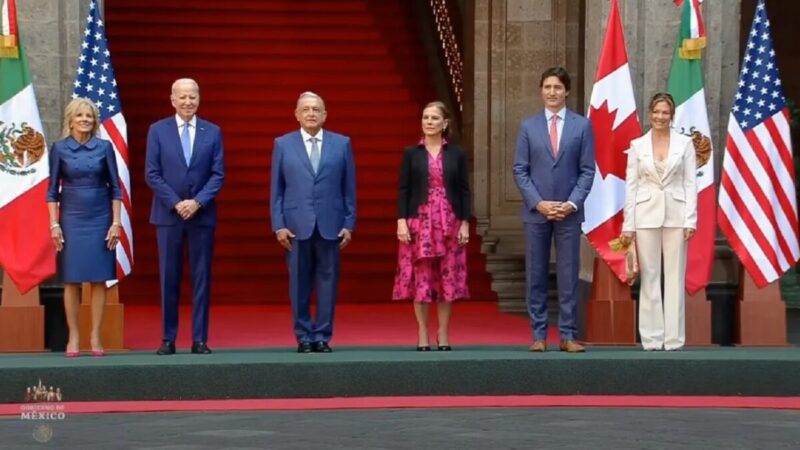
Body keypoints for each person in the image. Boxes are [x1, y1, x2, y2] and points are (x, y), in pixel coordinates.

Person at [513, 67, 595, 353]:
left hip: (569, 213)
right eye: (547, 87)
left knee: (568, 274)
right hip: (537, 212)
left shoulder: (582, 126)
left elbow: (587, 171)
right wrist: (539, 202)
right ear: (541, 90)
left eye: (557, 87)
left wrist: (571, 203)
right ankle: (538, 335)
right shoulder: (528, 126)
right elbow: (520, 170)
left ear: (567, 91)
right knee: (535, 273)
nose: (552, 92)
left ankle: (568, 334)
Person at [270, 91, 357, 353]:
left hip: (331, 223)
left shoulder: (341, 144)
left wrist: (349, 222)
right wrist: (279, 224)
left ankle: (322, 335)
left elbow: (348, 188)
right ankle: (303, 335)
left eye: (316, 109)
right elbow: (277, 189)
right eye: (305, 109)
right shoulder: (283, 144)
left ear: (325, 115)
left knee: (328, 282)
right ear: (296, 115)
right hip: (296, 225)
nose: (311, 114)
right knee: (298, 282)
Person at [145, 78, 224, 355]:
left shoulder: (212, 132)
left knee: (202, 277)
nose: (188, 102)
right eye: (183, 97)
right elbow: (152, 173)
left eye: (192, 97)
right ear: (172, 100)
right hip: (169, 216)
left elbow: (217, 174)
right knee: (169, 278)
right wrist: (177, 203)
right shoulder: (158, 130)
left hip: (201, 216)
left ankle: (199, 339)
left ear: (199, 99)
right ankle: (168, 339)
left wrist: (198, 202)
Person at [620, 92, 697, 351]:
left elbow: (690, 184)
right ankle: (652, 338)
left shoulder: (685, 144)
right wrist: (628, 226)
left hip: (677, 214)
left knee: (675, 276)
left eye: (665, 113)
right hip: (645, 215)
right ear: (649, 114)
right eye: (657, 112)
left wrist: (691, 220)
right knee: (650, 276)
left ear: (671, 116)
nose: (660, 117)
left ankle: (674, 339)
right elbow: (630, 187)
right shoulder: (637, 145)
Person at [47, 97, 122, 358]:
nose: (85, 120)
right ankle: (74, 337)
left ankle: (95, 336)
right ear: (70, 119)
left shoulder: (104, 148)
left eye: (89, 116)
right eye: (80, 116)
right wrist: (54, 224)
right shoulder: (59, 148)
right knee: (71, 279)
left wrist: (116, 223)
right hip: (71, 219)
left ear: (95, 120)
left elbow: (116, 188)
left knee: (99, 278)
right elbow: (51, 192)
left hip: (101, 217)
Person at [392, 101, 470, 351]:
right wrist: (401, 221)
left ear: (445, 123)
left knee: (447, 279)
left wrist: (465, 223)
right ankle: (422, 332)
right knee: (422, 279)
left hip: (449, 221)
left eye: (434, 118)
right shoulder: (411, 153)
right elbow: (403, 189)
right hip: (420, 222)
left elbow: (464, 190)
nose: (429, 122)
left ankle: (444, 333)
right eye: (425, 117)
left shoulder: (456, 153)